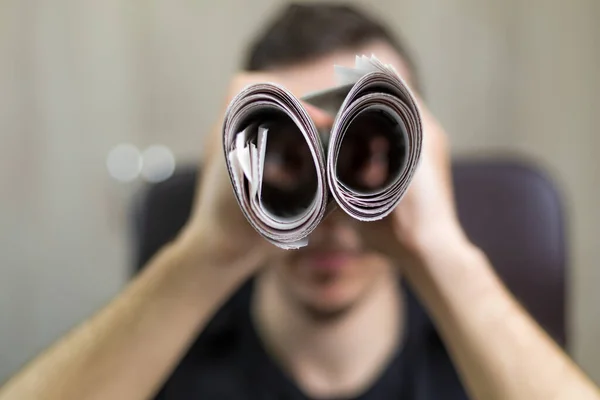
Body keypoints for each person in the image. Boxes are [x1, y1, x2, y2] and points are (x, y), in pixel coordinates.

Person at [1, 3, 599, 400]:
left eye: (362, 147)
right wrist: (206, 254)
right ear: (241, 162)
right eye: (290, 154)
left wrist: (440, 253)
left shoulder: (476, 363)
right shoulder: (161, 362)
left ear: (417, 158)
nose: (332, 218)